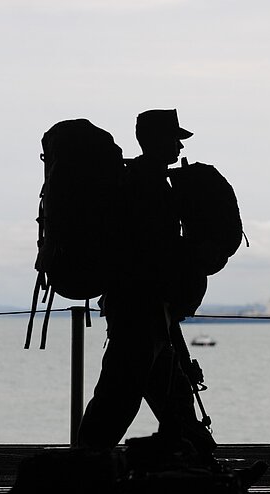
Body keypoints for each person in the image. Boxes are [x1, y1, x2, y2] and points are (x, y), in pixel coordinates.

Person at [76, 109, 216, 460]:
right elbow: (151, 249)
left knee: (174, 397)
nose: (179, 147)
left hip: (150, 310)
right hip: (140, 309)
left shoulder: (146, 180)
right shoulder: (144, 185)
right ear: (154, 140)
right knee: (119, 398)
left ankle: (204, 464)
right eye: (174, 139)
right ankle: (82, 466)